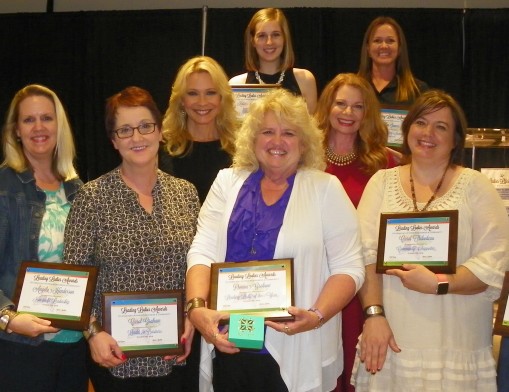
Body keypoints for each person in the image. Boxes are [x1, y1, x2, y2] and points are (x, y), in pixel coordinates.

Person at [186, 88, 365, 392]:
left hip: (295, 341)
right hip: (230, 339)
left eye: (289, 133)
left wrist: (316, 316)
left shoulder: (326, 189)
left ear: (304, 141)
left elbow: (349, 267)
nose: (277, 142)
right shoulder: (226, 182)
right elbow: (201, 251)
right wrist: (196, 308)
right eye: (267, 131)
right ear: (252, 139)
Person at [352, 90, 509, 391]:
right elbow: (364, 256)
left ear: (456, 139)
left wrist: (439, 283)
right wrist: (374, 315)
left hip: (456, 345)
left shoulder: (476, 187)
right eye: (421, 122)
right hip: (391, 338)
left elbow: (493, 264)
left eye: (441, 127)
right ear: (408, 128)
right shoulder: (380, 183)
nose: (428, 133)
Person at [63, 86, 200, 392]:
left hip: (176, 353)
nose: (137, 138)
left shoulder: (187, 194)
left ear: (160, 132)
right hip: (114, 356)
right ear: (113, 141)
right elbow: (74, 278)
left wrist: (192, 321)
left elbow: (199, 266)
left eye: (145, 126)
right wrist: (93, 333)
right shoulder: (92, 197)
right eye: (125, 130)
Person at [0, 84, 87, 391]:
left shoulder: (78, 189)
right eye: (28, 120)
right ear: (16, 131)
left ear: (59, 126)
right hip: (20, 344)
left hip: (74, 343)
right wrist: (7, 318)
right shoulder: (4, 187)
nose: (39, 127)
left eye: (47, 118)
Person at [315, 73, 397, 392]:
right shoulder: (306, 157)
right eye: (341, 104)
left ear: (367, 113)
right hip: (320, 281)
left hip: (366, 287)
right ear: (327, 107)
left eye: (357, 106)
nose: (348, 113)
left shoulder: (385, 162)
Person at [160, 55, 237, 204]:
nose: (202, 102)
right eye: (193, 93)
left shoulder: (240, 147)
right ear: (182, 100)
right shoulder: (163, 148)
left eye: (210, 93)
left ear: (222, 97)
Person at [229, 8, 318, 113]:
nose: (269, 42)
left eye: (276, 35)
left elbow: (311, 128)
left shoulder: (305, 80)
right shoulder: (237, 85)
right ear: (252, 41)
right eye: (262, 36)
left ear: (285, 38)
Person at [358, 16, 429, 106]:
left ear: (399, 48)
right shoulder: (353, 88)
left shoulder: (418, 91)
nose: (384, 46)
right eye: (377, 41)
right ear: (368, 49)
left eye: (390, 41)